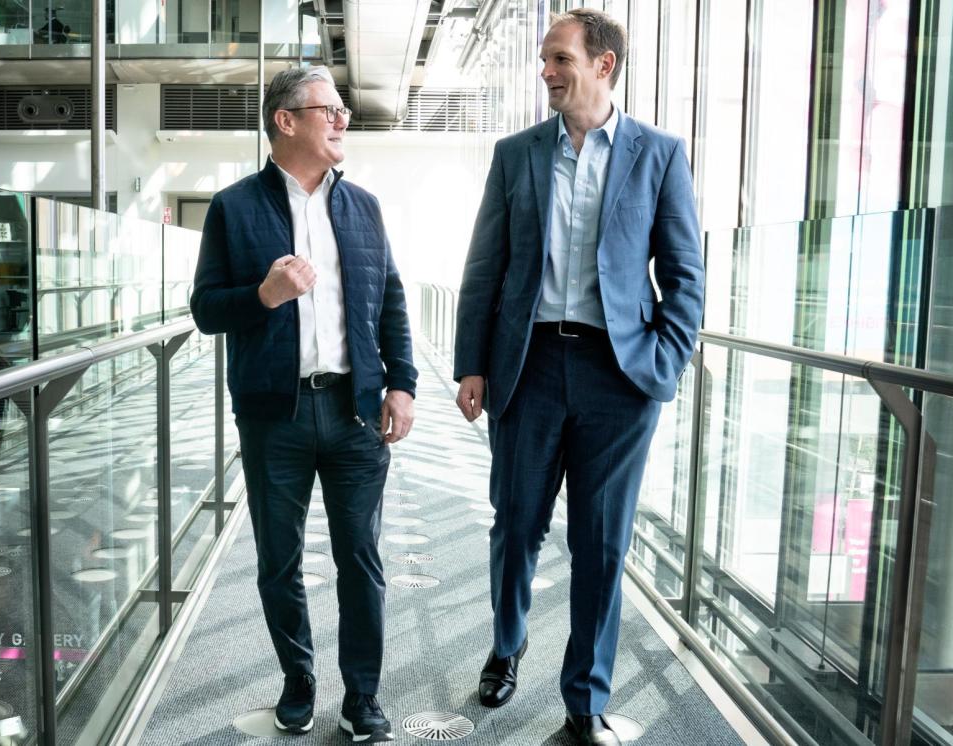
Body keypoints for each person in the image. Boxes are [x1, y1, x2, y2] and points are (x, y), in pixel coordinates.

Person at [453, 8, 704, 745]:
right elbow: (484, 269)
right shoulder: (517, 154)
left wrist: (662, 361)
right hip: (527, 368)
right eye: (543, 59)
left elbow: (686, 275)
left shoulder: (658, 154)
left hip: (618, 377)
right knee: (516, 523)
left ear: (604, 65)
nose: (546, 72)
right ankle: (507, 643)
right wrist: (472, 364)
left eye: (560, 58)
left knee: (602, 542)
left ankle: (584, 701)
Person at [190, 66, 416, 743]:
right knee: (279, 561)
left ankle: (362, 696)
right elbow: (205, 310)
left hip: (354, 413)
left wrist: (402, 383)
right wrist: (262, 296)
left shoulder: (364, 207)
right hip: (274, 416)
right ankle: (298, 680)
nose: (343, 119)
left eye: (344, 109)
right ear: (286, 121)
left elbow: (393, 303)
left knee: (361, 559)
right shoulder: (234, 207)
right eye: (330, 109)